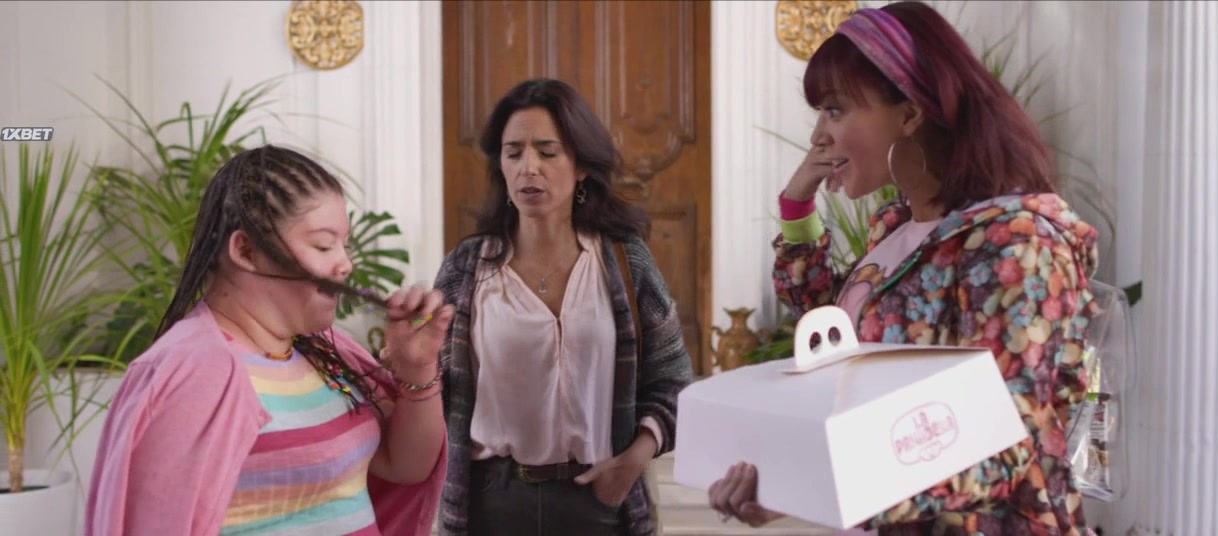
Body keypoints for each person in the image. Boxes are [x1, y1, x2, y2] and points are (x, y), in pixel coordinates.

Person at [707, 3, 1099, 535]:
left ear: (910, 114)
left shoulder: (1016, 243)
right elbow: (834, 333)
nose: (818, 135)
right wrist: (797, 209)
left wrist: (818, 482)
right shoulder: (897, 227)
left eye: (835, 110)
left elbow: (1007, 436)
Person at [84, 145, 453, 535]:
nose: (345, 264)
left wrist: (417, 368)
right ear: (246, 250)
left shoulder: (326, 354)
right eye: (323, 245)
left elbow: (406, 466)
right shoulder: (190, 373)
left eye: (344, 246)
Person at [431, 78, 694, 536]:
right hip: (493, 501)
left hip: (599, 498)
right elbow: (432, 393)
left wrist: (634, 460)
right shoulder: (467, 269)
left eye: (547, 152)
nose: (528, 167)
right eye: (514, 153)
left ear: (581, 165)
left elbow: (673, 380)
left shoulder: (625, 261)